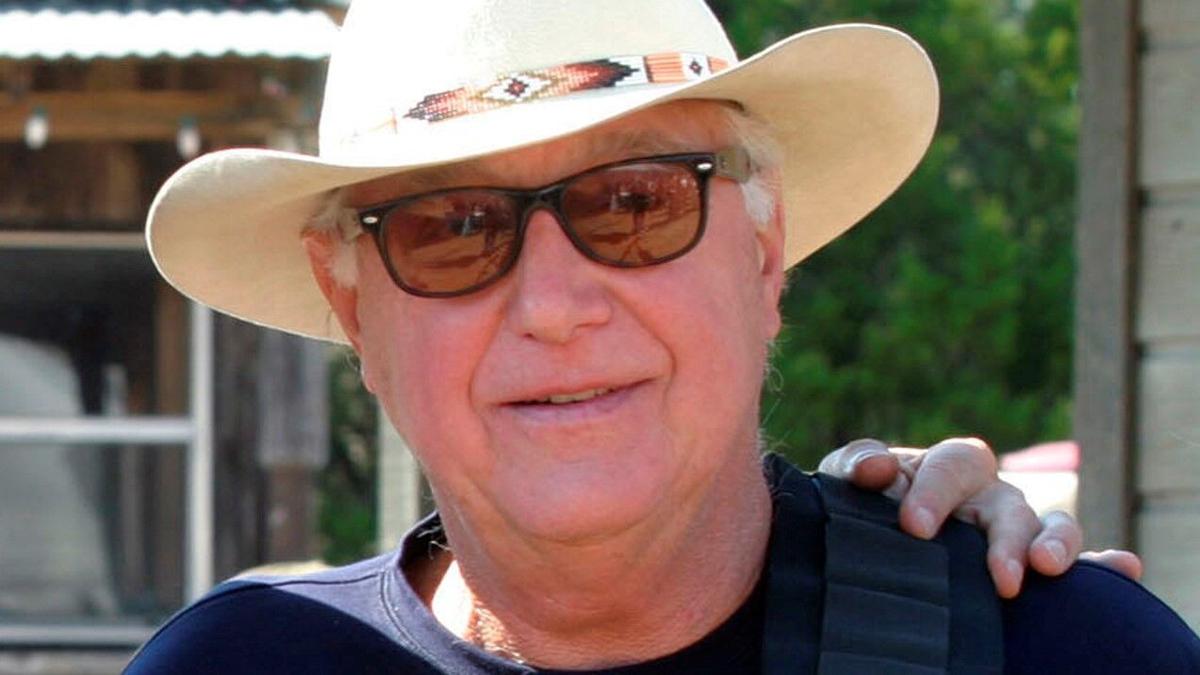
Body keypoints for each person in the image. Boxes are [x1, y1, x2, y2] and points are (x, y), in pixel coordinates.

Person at [129, 0, 1197, 672]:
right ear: (357, 308)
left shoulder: (1053, 649)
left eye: (633, 204)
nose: (554, 303)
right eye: (451, 230)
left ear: (763, 257)